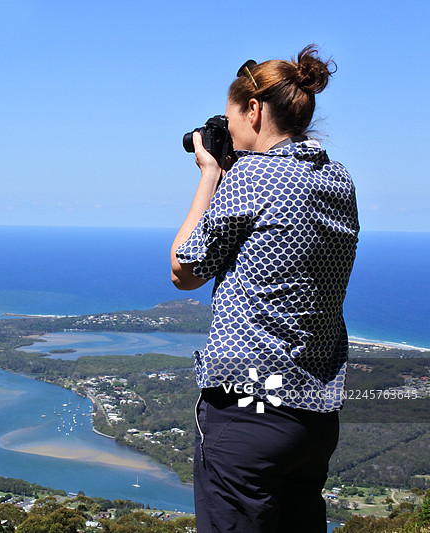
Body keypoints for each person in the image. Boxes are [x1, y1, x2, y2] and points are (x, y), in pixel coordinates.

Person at [170, 45, 359, 532]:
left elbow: (183, 270)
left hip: (249, 414)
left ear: (254, 110)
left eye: (231, 116)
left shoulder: (251, 177)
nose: (228, 128)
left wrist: (211, 174)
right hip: (314, 417)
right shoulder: (338, 179)